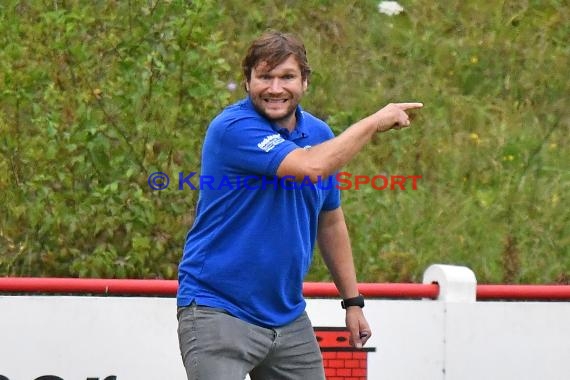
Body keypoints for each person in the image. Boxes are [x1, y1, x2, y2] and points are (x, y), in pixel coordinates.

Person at [176, 30, 423, 380]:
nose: (275, 88)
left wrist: (353, 303)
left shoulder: (320, 135)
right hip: (218, 309)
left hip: (287, 317)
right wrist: (373, 122)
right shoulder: (233, 127)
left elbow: (330, 221)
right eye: (264, 77)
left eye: (287, 77)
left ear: (305, 82)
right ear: (247, 82)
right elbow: (310, 167)